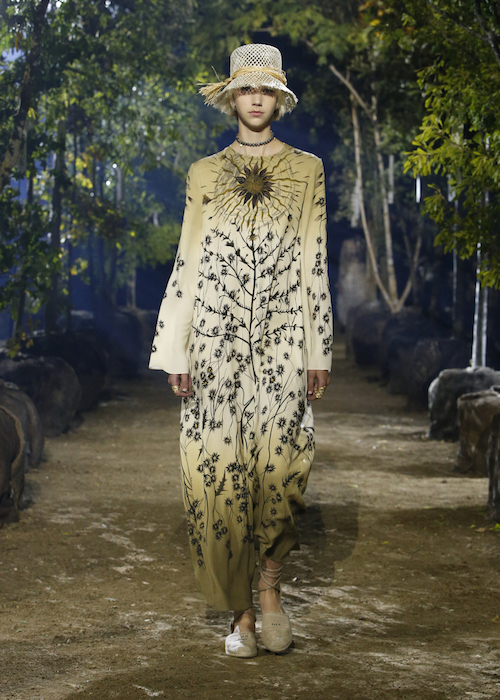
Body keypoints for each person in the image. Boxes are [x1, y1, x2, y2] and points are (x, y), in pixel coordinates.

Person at [149, 43, 333, 658]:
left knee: (284, 471)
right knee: (216, 476)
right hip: (215, 345)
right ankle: (242, 615)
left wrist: (318, 347)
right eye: (246, 88)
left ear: (279, 99)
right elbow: (188, 260)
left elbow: (313, 259)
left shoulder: (308, 170)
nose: (256, 98)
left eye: (267, 89)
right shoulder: (204, 173)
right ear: (232, 98)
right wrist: (176, 348)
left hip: (283, 344)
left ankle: (270, 584)